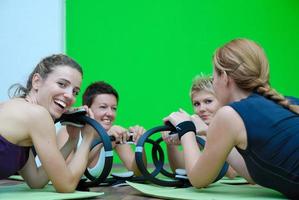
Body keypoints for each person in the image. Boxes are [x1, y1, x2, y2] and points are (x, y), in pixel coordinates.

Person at [163, 38, 299, 198]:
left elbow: (197, 179)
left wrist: (186, 128)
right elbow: (254, 174)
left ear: (225, 77)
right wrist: (209, 131)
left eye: (214, 78)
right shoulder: (291, 102)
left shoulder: (229, 115)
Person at [0, 54, 96, 193]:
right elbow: (66, 185)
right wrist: (87, 140)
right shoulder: (37, 115)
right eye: (62, 84)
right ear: (37, 81)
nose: (70, 96)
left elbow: (36, 180)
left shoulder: (22, 112)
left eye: (75, 92)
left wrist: (72, 140)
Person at [57, 81, 146, 177]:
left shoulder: (113, 134)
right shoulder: (69, 131)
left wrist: (140, 144)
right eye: (103, 107)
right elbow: (66, 175)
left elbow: (139, 173)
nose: (110, 113)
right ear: (87, 109)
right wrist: (104, 140)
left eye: (114, 108)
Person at [163, 75, 237, 179]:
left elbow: (232, 173)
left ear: (223, 100)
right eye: (196, 104)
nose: (201, 109)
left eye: (208, 101)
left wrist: (207, 133)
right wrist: (171, 144)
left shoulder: (235, 125)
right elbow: (181, 168)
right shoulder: (201, 130)